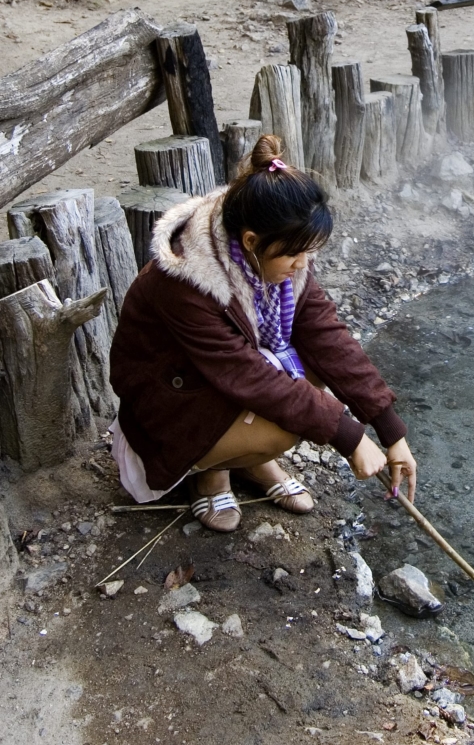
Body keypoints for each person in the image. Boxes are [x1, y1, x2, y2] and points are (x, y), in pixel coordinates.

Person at [109, 134, 417, 532]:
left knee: (316, 364)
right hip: (171, 405)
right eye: (294, 254)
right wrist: (348, 435)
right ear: (251, 242)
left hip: (219, 381)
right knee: (290, 426)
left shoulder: (277, 252)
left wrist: (389, 429)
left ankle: (250, 460)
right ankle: (211, 472)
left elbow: (327, 336)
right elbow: (245, 376)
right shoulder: (187, 282)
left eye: (308, 252)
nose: (302, 263)